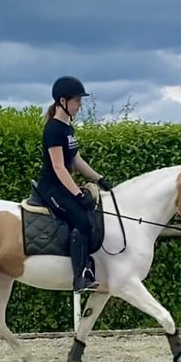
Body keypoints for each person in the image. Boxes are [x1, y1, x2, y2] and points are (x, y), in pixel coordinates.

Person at [35, 75, 113, 293]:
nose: (80, 105)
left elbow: (76, 161)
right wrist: (78, 195)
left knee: (92, 215)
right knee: (82, 220)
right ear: (63, 101)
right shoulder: (53, 129)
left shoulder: (67, 128)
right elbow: (59, 167)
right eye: (77, 100)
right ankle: (80, 277)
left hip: (62, 186)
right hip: (51, 188)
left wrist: (98, 178)